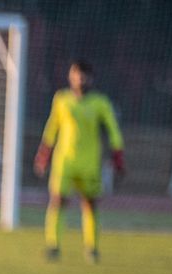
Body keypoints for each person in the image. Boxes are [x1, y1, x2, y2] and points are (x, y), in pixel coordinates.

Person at [35, 60, 125, 263]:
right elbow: (52, 128)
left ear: (90, 78)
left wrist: (118, 155)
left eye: (84, 75)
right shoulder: (61, 99)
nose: (80, 79)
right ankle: (53, 246)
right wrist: (43, 155)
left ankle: (92, 248)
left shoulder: (100, 103)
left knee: (90, 205)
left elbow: (113, 130)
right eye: (76, 74)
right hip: (64, 161)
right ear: (70, 76)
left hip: (89, 164)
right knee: (57, 201)